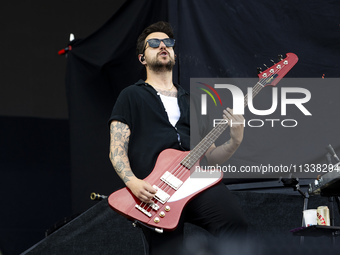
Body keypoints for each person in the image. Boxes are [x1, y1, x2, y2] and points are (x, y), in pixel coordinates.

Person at [109, 21, 247, 255]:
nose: (163, 46)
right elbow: (116, 149)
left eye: (168, 43)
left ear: (174, 53)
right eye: (154, 44)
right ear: (142, 58)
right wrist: (132, 182)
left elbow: (211, 157)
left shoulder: (192, 100)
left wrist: (235, 140)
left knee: (236, 227)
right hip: (155, 190)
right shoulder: (131, 95)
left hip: (196, 180)